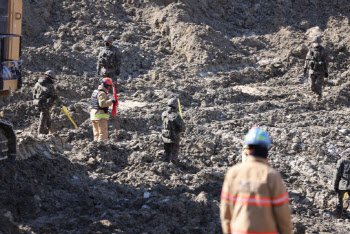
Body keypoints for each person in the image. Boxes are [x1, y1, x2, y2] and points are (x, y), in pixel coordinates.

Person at [220, 127, 293, 234]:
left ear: (248, 148)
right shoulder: (272, 176)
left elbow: (226, 211)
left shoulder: (233, 173)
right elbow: (282, 213)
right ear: (266, 149)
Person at [33, 70, 63, 135]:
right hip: (45, 103)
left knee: (47, 115)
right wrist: (60, 103)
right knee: (43, 116)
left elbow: (34, 93)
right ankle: (40, 132)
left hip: (38, 102)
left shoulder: (37, 83)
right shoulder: (49, 85)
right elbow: (55, 96)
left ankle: (51, 130)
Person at [90, 77, 116, 142]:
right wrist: (111, 101)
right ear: (106, 86)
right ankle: (101, 149)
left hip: (94, 115)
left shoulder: (95, 92)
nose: (109, 89)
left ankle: (95, 148)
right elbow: (102, 104)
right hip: (100, 116)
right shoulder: (102, 93)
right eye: (109, 87)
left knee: (96, 135)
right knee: (103, 135)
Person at [303, 36, 329, 101]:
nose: (315, 43)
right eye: (314, 42)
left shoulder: (323, 50)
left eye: (316, 42)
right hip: (312, 70)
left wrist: (326, 71)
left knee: (318, 84)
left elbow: (326, 61)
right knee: (312, 86)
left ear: (319, 43)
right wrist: (305, 68)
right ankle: (318, 93)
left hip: (320, 71)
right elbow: (307, 59)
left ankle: (318, 96)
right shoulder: (311, 50)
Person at [161, 98, 186, 164]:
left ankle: (165, 164)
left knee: (167, 151)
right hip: (173, 137)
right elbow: (182, 127)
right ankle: (172, 165)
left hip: (165, 136)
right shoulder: (176, 116)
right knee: (174, 152)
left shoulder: (164, 114)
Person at [333, 148, 350, 218]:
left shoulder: (341, 161)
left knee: (340, 201)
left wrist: (335, 186)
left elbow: (337, 174)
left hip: (342, 185)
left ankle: (339, 216)